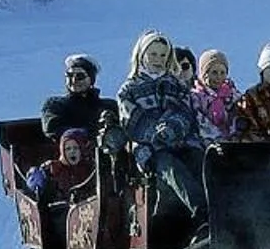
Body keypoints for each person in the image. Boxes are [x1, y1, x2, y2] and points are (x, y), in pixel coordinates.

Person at [115, 29, 207, 220]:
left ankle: (223, 209)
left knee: (202, 162)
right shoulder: (129, 89)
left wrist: (171, 128)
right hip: (150, 150)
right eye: (153, 54)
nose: (158, 59)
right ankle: (203, 212)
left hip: (180, 141)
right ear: (142, 55)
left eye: (163, 55)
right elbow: (132, 121)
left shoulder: (175, 84)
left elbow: (185, 112)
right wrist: (156, 134)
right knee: (171, 167)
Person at [40, 53, 119, 143]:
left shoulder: (109, 106)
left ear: (91, 79)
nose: (73, 80)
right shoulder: (56, 105)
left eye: (80, 76)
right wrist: (88, 134)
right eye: (69, 75)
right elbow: (53, 129)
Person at [191, 49, 241, 144]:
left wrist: (234, 135)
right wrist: (217, 138)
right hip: (206, 143)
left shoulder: (233, 95)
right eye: (214, 73)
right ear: (204, 74)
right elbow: (199, 121)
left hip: (231, 143)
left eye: (222, 73)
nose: (218, 77)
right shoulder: (196, 96)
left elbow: (238, 116)